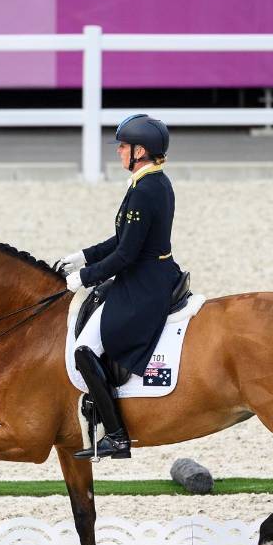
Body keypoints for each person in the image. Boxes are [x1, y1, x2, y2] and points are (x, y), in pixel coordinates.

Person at [57, 113, 182, 460]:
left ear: (139, 151)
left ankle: (116, 435)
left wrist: (85, 277)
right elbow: (123, 238)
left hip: (143, 284)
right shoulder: (153, 181)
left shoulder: (145, 191)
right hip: (151, 273)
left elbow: (127, 254)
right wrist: (83, 256)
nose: (118, 152)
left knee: (84, 349)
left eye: (123, 147)